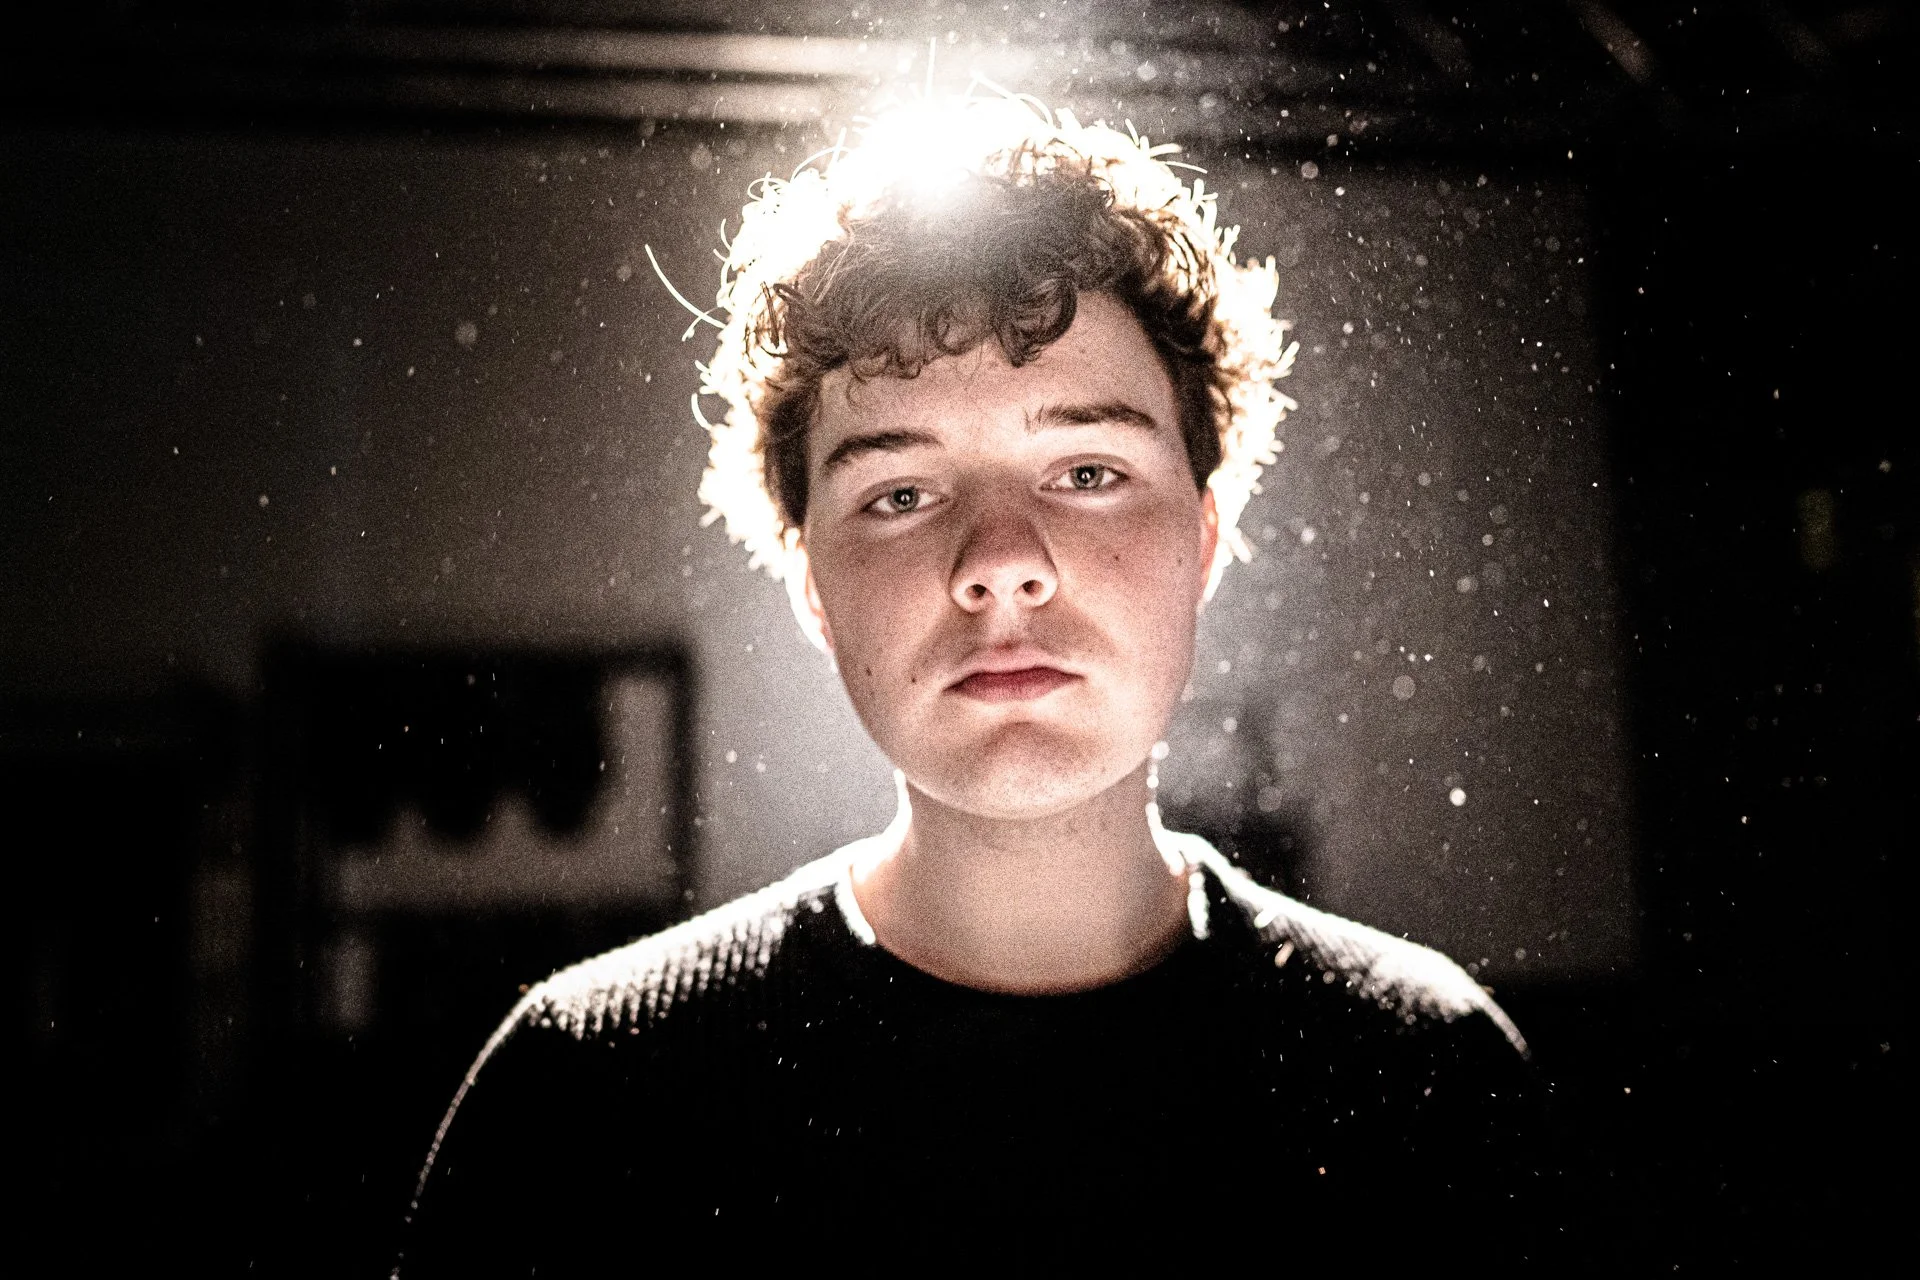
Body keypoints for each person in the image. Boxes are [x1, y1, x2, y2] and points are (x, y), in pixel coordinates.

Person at [395, 101, 1567, 1274]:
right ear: (811, 582)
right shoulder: (584, 1103)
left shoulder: (1426, 1080)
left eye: (1088, 470)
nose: (1000, 557)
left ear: (1203, 542)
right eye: (900, 492)